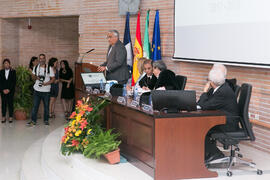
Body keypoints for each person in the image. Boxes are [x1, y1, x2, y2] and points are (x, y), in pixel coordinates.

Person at [197, 68, 240, 163]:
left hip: (227, 124)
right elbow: (202, 104)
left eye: (208, 80)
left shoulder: (222, 92)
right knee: (200, 126)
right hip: (223, 120)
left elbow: (204, 105)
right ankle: (211, 153)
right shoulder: (220, 88)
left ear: (211, 82)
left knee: (200, 128)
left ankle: (214, 155)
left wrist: (204, 91)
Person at [27, 54, 55, 126]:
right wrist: (36, 77)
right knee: (35, 106)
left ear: (45, 59)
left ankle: (46, 120)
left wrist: (46, 83)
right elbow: (33, 78)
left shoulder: (49, 68)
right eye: (40, 58)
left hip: (46, 91)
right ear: (39, 59)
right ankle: (33, 121)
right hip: (37, 90)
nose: (41, 60)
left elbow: (53, 79)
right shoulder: (36, 67)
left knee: (46, 106)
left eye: (43, 58)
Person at [0, 59, 16, 123]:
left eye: (7, 63)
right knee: (3, 104)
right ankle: (3, 117)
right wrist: (3, 90)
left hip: (10, 91)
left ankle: (10, 117)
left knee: (10, 104)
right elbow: (0, 82)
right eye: (5, 63)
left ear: (9, 64)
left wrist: (9, 89)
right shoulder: (1, 72)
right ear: (3, 65)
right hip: (3, 91)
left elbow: (13, 82)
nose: (6, 64)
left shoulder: (13, 71)